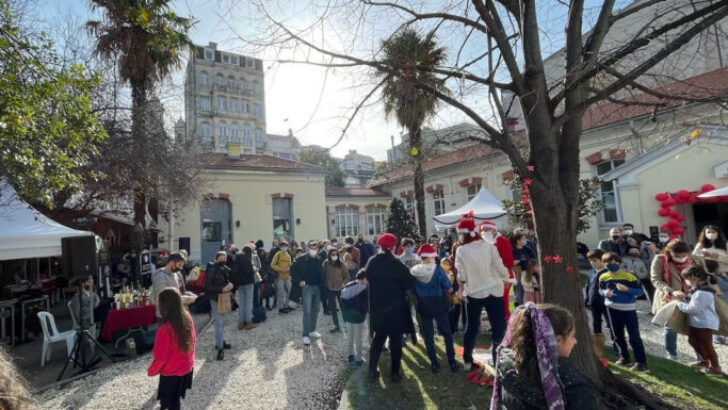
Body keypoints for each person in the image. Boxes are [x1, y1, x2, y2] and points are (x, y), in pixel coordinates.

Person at [490, 303, 596, 410]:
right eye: (572, 336)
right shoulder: (573, 386)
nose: (575, 341)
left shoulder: (507, 366)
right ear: (557, 340)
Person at [455, 213, 510, 368]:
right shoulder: (489, 247)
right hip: (493, 290)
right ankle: (497, 360)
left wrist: (464, 282)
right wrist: (505, 278)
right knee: (498, 327)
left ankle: (467, 360)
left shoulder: (461, 250)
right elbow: (499, 266)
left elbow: (462, 275)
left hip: (474, 292)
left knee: (471, 327)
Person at [367, 233, 414, 383]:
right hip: (396, 308)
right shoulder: (396, 263)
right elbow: (407, 283)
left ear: (380, 245)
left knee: (378, 339)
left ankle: (372, 370)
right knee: (395, 341)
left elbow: (367, 277)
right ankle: (394, 373)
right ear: (393, 246)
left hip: (378, 307)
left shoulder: (372, 261)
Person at [410, 244, 462, 373]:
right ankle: (452, 361)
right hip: (439, 303)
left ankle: (434, 363)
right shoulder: (437, 270)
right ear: (430, 257)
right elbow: (447, 286)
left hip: (423, 304)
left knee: (428, 335)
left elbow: (411, 289)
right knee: (447, 333)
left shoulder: (413, 271)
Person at [148, 288, 196, 410]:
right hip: (186, 367)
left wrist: (151, 370)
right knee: (175, 400)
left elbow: (161, 358)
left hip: (171, 372)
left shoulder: (164, 330)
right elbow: (193, 341)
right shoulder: (187, 318)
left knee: (169, 403)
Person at [599, 252, 647, 371]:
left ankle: (641, 362)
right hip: (612, 309)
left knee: (634, 336)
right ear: (604, 264)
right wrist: (605, 293)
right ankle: (624, 357)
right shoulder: (603, 277)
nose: (613, 264)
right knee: (617, 335)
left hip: (628, 309)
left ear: (621, 264)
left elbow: (640, 292)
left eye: (615, 262)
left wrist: (627, 289)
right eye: (609, 263)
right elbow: (600, 290)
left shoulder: (629, 276)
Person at [650, 239, 693, 360]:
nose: (680, 258)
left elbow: (702, 276)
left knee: (696, 327)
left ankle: (702, 357)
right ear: (669, 252)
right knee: (670, 326)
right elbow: (655, 279)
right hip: (669, 297)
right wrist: (671, 290)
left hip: (691, 296)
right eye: (677, 256)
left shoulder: (694, 259)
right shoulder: (660, 259)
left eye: (683, 256)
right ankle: (671, 354)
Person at [678, 266, 722, 375]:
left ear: (694, 278)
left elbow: (693, 309)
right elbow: (693, 302)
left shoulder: (703, 293)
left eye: (686, 278)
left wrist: (678, 304)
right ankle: (704, 361)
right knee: (693, 341)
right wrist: (684, 297)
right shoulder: (698, 290)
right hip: (698, 323)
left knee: (707, 345)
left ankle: (715, 367)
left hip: (705, 323)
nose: (685, 281)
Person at [480, 221, 516, 318]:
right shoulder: (483, 243)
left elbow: (508, 261)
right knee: (492, 302)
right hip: (489, 277)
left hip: (502, 276)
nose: (484, 232)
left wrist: (505, 277)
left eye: (486, 230)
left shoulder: (502, 241)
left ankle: (506, 323)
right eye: (483, 230)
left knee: (503, 301)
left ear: (493, 229)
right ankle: (496, 323)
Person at [293, 242, 326, 346]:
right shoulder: (301, 259)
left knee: (316, 310)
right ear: (308, 248)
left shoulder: (320, 259)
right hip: (307, 288)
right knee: (307, 311)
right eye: (312, 248)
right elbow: (293, 270)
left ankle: (312, 330)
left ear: (317, 249)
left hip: (318, 288)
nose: (314, 250)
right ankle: (305, 335)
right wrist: (299, 281)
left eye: (315, 248)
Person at [584, 249, 614, 358]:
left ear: (602, 260)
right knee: (596, 323)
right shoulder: (591, 272)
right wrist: (586, 300)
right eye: (590, 261)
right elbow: (588, 287)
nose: (592, 263)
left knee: (611, 324)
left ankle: (616, 345)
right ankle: (598, 345)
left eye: (594, 260)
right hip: (594, 303)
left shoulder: (609, 272)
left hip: (606, 303)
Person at [205, 251, 233, 360]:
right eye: (221, 258)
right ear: (216, 259)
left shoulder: (224, 268)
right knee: (219, 322)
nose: (223, 260)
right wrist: (221, 289)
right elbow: (208, 286)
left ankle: (220, 342)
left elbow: (226, 280)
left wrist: (229, 285)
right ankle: (220, 349)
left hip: (223, 297)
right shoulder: (212, 269)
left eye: (224, 258)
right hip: (215, 298)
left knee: (220, 322)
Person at [151, 253, 196, 320]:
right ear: (172, 262)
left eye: (182, 265)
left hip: (178, 313)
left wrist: (189, 294)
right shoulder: (159, 276)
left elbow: (181, 291)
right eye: (179, 265)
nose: (181, 268)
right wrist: (186, 299)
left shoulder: (177, 274)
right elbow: (164, 298)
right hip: (166, 315)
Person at [341, 269, 369, 366]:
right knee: (358, 338)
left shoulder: (348, 285)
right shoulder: (364, 288)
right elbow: (365, 304)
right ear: (364, 279)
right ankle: (358, 359)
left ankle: (350, 356)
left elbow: (343, 300)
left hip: (348, 316)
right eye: (367, 280)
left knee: (350, 336)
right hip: (358, 317)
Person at [323, 247, 349, 333]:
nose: (334, 256)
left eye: (336, 254)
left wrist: (343, 284)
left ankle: (347, 325)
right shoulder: (326, 263)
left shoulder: (341, 263)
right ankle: (336, 326)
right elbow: (323, 275)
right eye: (332, 254)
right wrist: (325, 284)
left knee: (343, 307)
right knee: (333, 308)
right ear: (329, 255)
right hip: (330, 289)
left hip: (340, 288)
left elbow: (347, 276)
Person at [231, 246, 257, 330]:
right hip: (248, 283)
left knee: (241, 303)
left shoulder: (237, 259)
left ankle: (241, 323)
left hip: (240, 284)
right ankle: (248, 322)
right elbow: (249, 272)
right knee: (249, 302)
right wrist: (254, 271)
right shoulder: (247, 260)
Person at [706, 260, 728, 345]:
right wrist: (725, 276)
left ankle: (716, 337)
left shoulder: (705, 277)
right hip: (723, 302)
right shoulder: (716, 278)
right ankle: (723, 338)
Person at [512, 232, 536, 307]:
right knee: (519, 293)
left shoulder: (527, 249)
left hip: (527, 273)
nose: (525, 241)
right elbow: (511, 262)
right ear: (518, 241)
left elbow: (534, 258)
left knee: (529, 292)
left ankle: (530, 308)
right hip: (518, 274)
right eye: (523, 239)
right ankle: (520, 309)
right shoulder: (513, 251)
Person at [271, 239, 293, 314]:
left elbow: (290, 265)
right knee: (280, 293)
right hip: (279, 277)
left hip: (287, 276)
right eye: (283, 246)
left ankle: (286, 306)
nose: (284, 247)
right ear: (280, 247)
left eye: (285, 246)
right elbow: (272, 265)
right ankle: (281, 308)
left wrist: (289, 268)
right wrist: (280, 269)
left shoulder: (288, 255)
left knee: (290, 291)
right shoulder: (278, 254)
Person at [442, 258, 462, 333]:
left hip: (451, 295)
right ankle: (445, 329)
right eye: (444, 263)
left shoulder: (452, 274)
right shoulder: (439, 274)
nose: (446, 265)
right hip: (442, 296)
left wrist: (454, 291)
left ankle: (453, 327)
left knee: (456, 309)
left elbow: (455, 285)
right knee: (445, 313)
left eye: (447, 264)